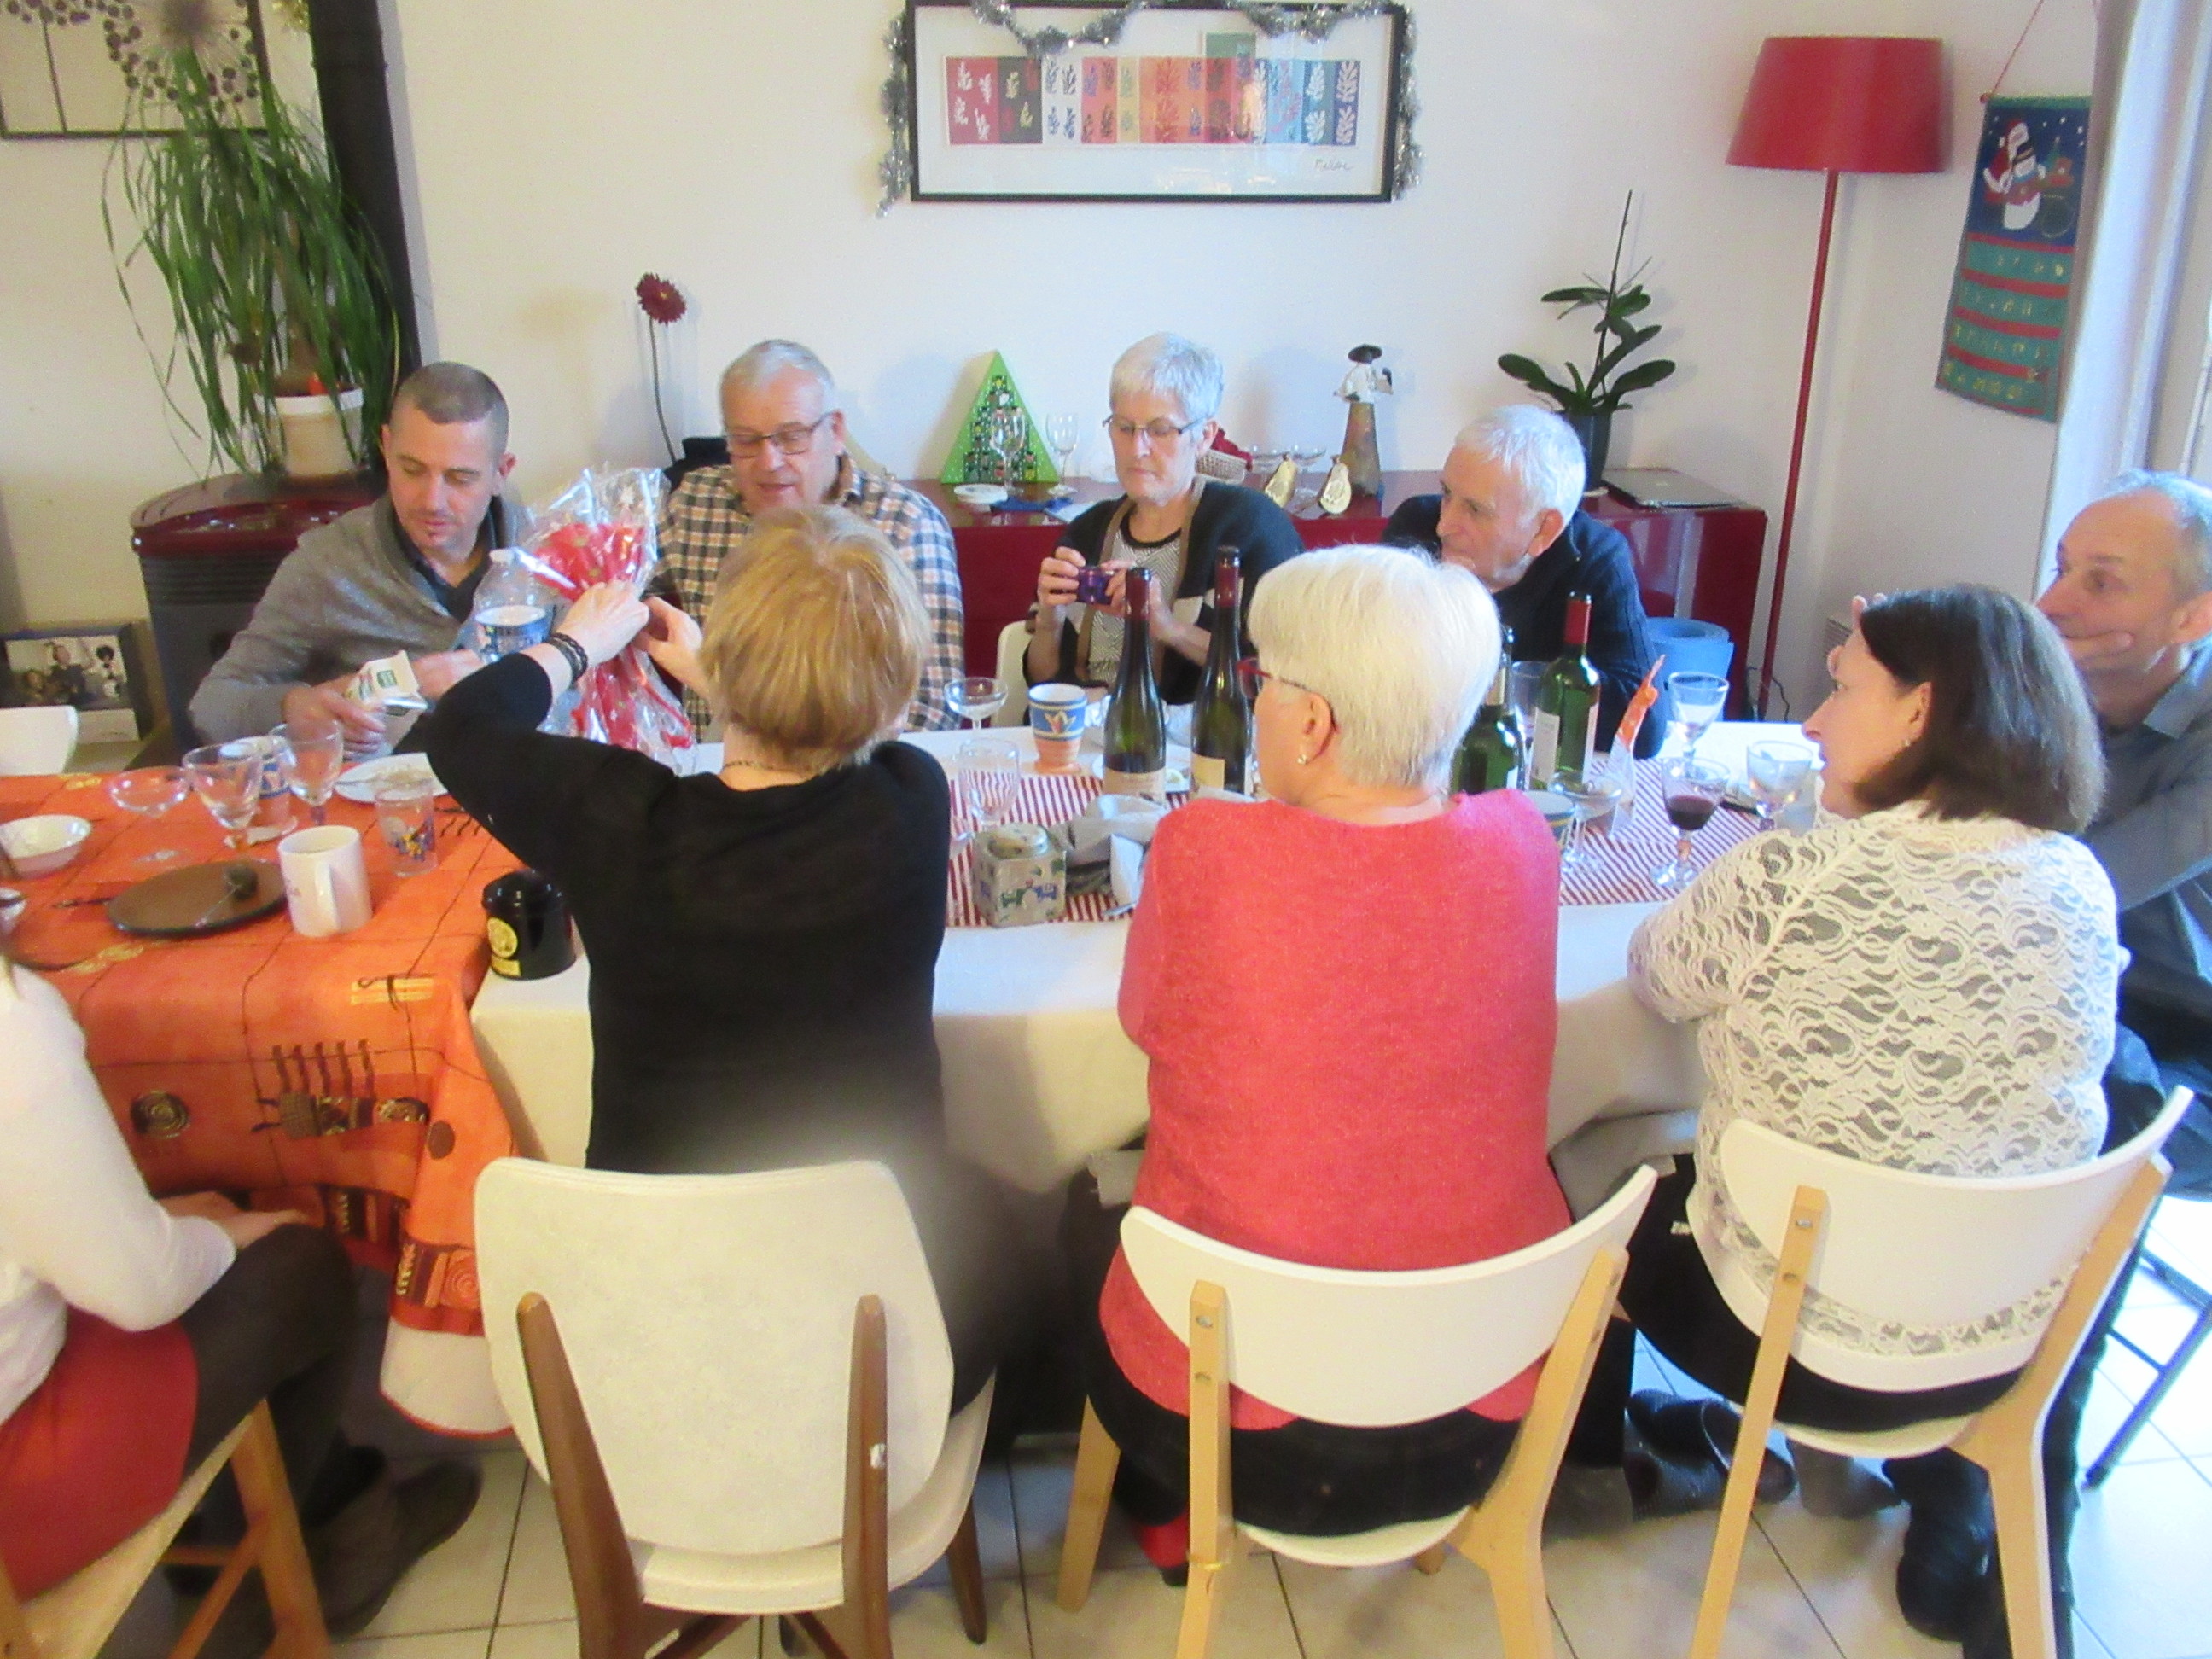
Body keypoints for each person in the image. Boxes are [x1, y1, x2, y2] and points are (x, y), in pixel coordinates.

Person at [1558, 587, 2118, 1648]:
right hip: (2000, 1341)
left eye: (1843, 687)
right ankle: (1866, 1482)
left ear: (1919, 711)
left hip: (1793, 1349)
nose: (1813, 722)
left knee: (1591, 1158)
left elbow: (1655, 975)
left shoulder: (1787, 873)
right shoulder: (2080, 883)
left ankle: (1587, 1467)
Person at [423, 506, 1018, 1407]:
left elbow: (461, 730)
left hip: (654, 1347)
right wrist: (741, 679)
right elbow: (853, 732)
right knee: (1002, 1215)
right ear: (895, 695)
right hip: (874, 1357)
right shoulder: (912, 800)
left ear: (730, 671)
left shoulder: (618, 821)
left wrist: (580, 644)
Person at [1062, 544, 1569, 1562]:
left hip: (1230, 1433)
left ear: (1312, 723)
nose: (1254, 698)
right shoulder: (1524, 840)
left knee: (1083, 1205)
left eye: (1263, 679)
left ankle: (1161, 1509)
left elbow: (1144, 1022)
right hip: (1481, 1412)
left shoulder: (1204, 848)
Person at [0, 876, 478, 1633]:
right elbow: (139, 1291)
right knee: (298, 1265)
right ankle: (279, 1578)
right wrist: (222, 1233)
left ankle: (327, 1522)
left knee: (192, 1209)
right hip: (18, 1487)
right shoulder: (12, 1030)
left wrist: (171, 1225)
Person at [189, 362, 521, 754]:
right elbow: (212, 704)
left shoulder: (548, 552)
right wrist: (295, 708)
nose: (433, 501)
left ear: (501, 472)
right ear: (386, 448)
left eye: (460, 479)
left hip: (522, 777)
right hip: (385, 784)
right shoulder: (328, 563)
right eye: (412, 470)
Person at [660, 340, 963, 736]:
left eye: (791, 437)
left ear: (835, 431)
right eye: (746, 441)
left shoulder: (905, 523)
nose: (770, 462)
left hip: (857, 765)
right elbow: (612, 583)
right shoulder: (695, 504)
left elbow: (933, 711)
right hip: (710, 763)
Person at [1027, 334, 1304, 703]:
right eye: (1124, 427)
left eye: (1160, 430)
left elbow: (1280, 682)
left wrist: (1168, 627)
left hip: (1194, 735)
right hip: (1082, 733)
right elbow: (1041, 681)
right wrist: (1050, 620)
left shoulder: (1251, 527)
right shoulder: (1087, 532)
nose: (1137, 448)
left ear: (1203, 437)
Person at [1384, 405, 1667, 756]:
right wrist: (1548, 690)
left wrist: (1506, 685)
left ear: (1544, 529)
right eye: (1447, 494)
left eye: (1475, 509)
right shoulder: (1416, 527)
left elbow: (1642, 726)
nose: (1444, 526)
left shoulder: (1594, 558)